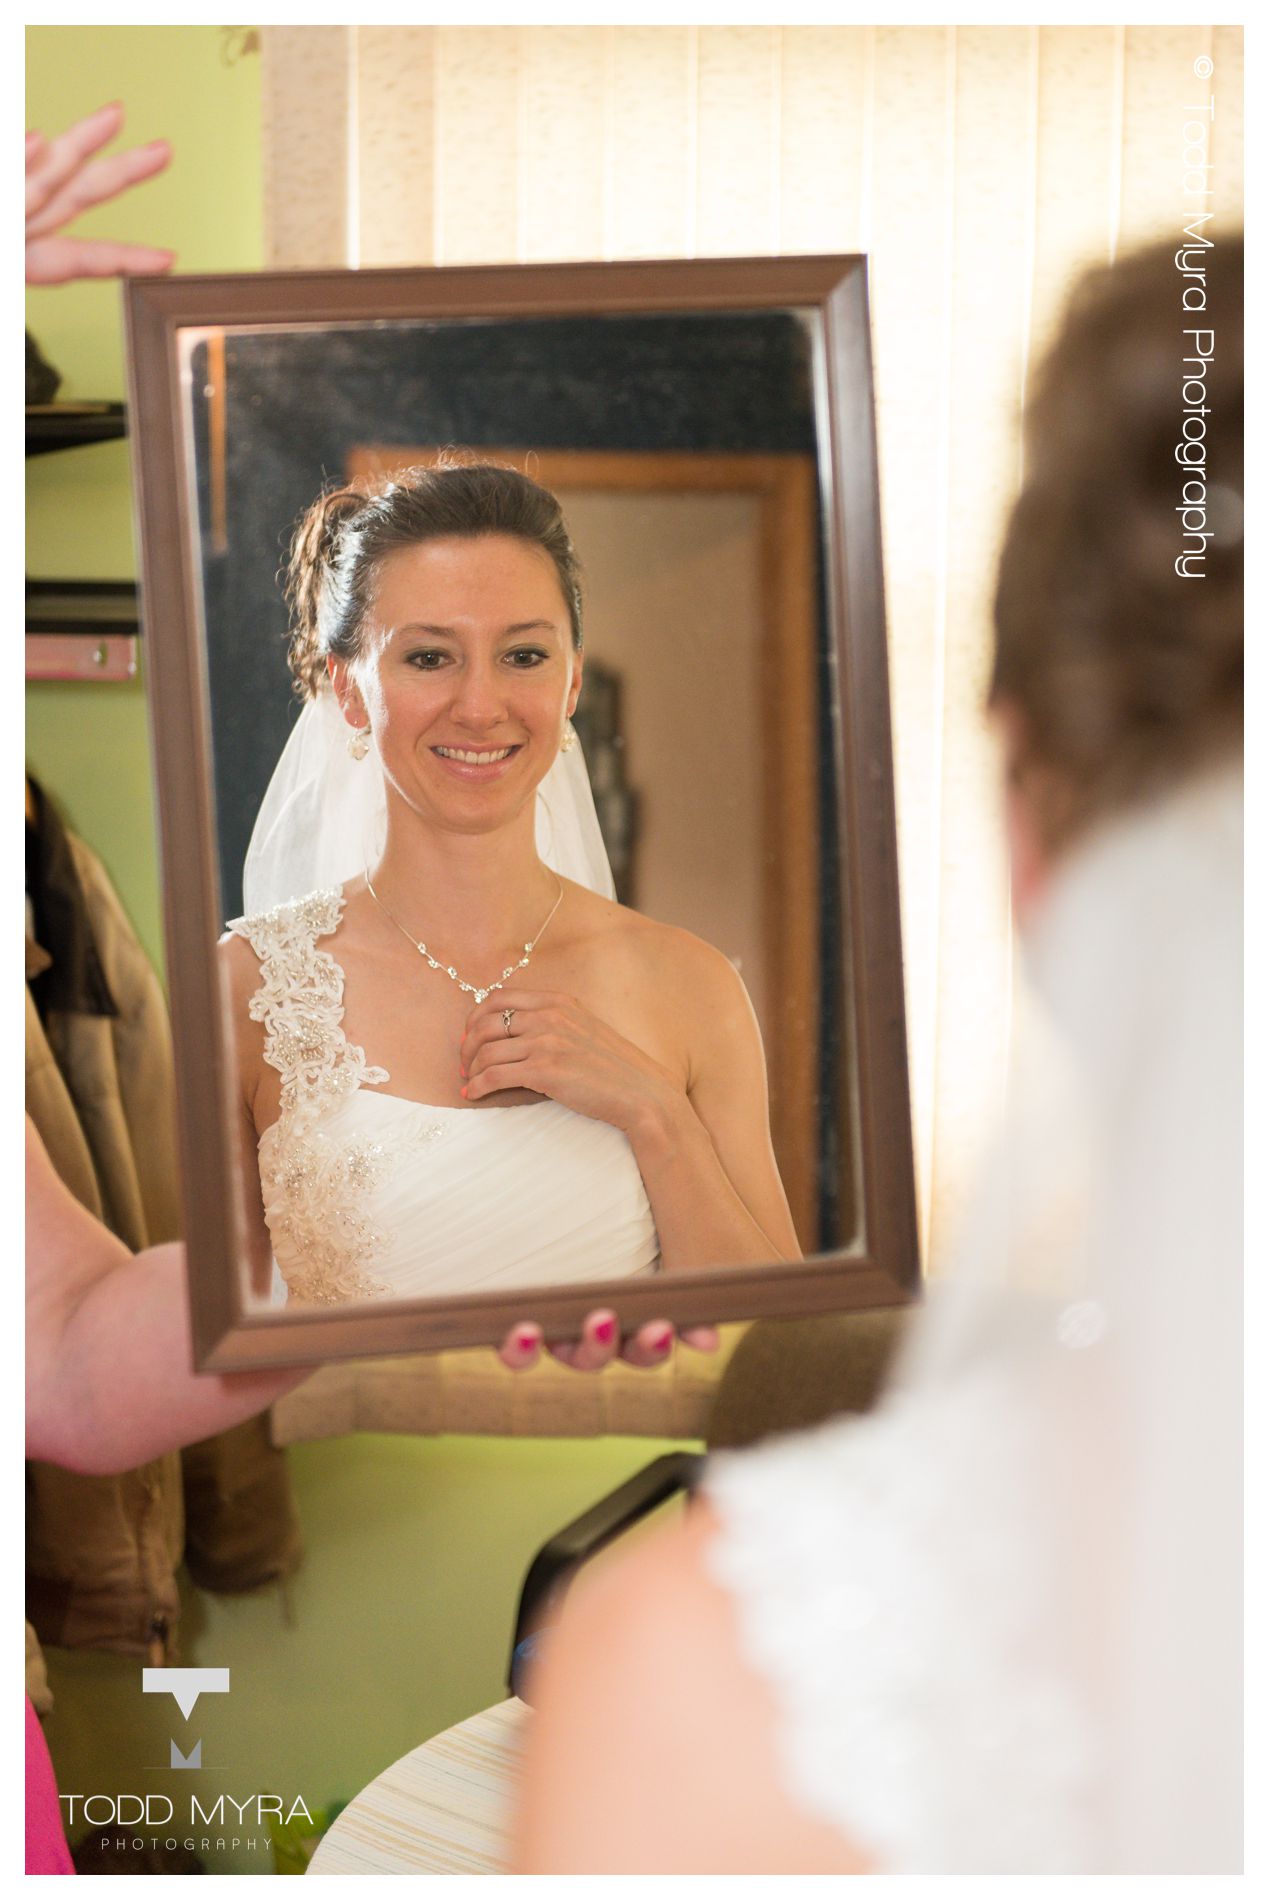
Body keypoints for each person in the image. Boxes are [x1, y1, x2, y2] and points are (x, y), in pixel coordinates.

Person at [515, 235, 1243, 1873]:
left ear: (1024, 827)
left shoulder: (709, 1688)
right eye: (432, 653)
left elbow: (761, 1274)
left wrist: (638, 1101)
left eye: (528, 658)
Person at [220, 465, 801, 1322]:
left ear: (569, 683)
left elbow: (780, 1355)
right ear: (348, 690)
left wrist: (655, 1118)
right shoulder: (248, 989)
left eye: (522, 655)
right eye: (428, 657)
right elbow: (200, 1368)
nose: (480, 705)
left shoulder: (693, 986)